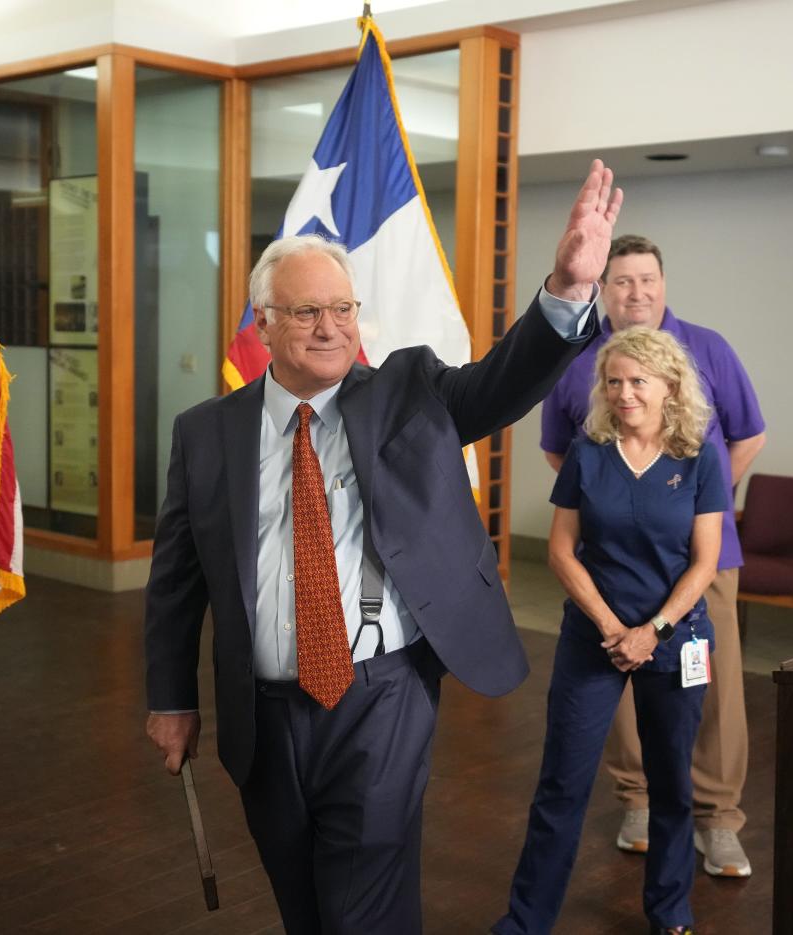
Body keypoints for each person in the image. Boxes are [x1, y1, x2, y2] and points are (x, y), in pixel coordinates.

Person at [144, 161, 623, 934]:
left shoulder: (409, 391)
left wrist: (567, 290)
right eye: (306, 312)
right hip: (261, 709)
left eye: (343, 308)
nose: (331, 327)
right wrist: (171, 697)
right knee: (302, 899)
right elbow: (175, 581)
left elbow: (501, 383)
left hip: (380, 696)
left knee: (365, 901)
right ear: (262, 322)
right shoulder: (206, 432)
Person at [540, 234, 765, 877]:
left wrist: (697, 507)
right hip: (610, 564)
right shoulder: (580, 361)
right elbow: (563, 455)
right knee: (620, 673)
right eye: (621, 282)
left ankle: (718, 818)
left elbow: (748, 437)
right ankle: (637, 799)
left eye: (647, 280)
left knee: (708, 688)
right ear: (602, 289)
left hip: (702, 561)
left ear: (663, 284)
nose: (635, 292)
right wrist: (615, 505)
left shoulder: (709, 349)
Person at [494, 326, 726, 935]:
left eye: (637, 381)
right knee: (562, 784)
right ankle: (525, 921)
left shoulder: (699, 455)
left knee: (672, 782)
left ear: (669, 386)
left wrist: (653, 631)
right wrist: (612, 627)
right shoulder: (588, 451)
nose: (624, 394)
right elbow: (562, 552)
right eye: (614, 381)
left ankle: (670, 910)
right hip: (593, 639)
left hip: (676, 641)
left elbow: (705, 562)